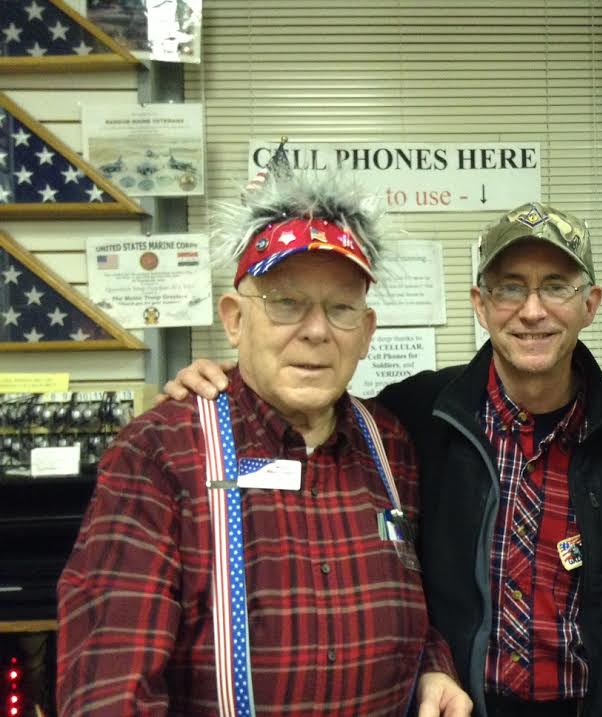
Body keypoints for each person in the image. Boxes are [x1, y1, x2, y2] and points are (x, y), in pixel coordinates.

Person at [162, 202, 602, 716]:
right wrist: (232, 383)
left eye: (556, 286)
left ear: (590, 304)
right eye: (510, 288)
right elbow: (308, 403)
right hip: (458, 706)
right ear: (480, 304)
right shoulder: (418, 416)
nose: (533, 310)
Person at [57, 172, 471, 717]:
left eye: (341, 309)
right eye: (286, 303)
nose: (317, 331)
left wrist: (433, 667)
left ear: (367, 331)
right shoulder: (161, 451)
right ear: (234, 320)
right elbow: (110, 688)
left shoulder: (391, 444)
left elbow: (413, 605)